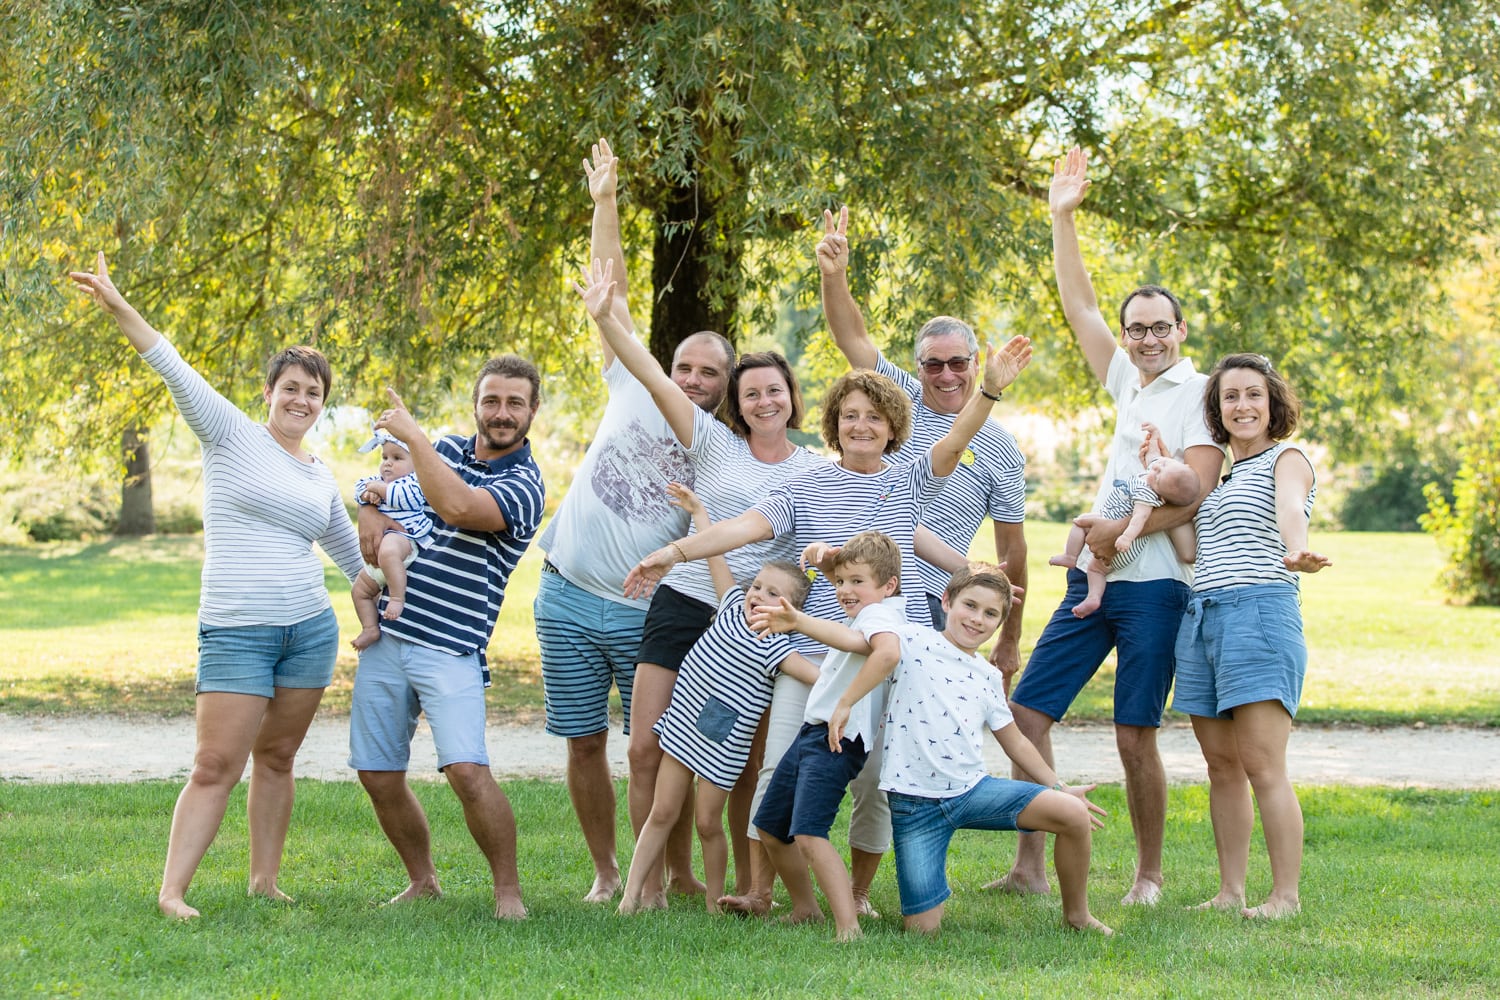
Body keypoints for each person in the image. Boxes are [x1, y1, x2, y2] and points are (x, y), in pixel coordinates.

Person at [626, 339, 1031, 919]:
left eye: (872, 416)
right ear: (834, 426)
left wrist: (988, 389)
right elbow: (744, 528)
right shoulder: (808, 484)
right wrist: (676, 551)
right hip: (811, 649)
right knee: (777, 769)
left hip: (891, 653)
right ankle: (767, 891)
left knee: (874, 781)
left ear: (894, 427)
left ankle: (859, 894)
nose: (860, 425)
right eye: (848, 416)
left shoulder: (910, 479)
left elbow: (952, 445)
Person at [69, 252, 365, 919]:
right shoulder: (229, 433)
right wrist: (117, 302)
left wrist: (383, 590)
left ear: (323, 404)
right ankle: (173, 892)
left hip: (309, 634)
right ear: (269, 392)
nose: (301, 399)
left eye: (313, 393)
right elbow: (166, 358)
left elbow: (348, 553)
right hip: (236, 631)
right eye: (290, 386)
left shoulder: (319, 473)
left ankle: (265, 880)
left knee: (280, 758)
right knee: (215, 766)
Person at [573, 142, 824, 901]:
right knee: (648, 746)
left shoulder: (815, 467)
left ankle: (748, 889)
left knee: (743, 762)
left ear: (790, 397)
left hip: (756, 617)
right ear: (736, 404)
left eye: (773, 391)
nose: (762, 401)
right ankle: (650, 887)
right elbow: (648, 369)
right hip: (686, 599)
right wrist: (604, 317)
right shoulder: (709, 438)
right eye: (750, 393)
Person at [997, 146, 1223, 905]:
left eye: (1161, 327)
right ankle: (1032, 860)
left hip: (1154, 584)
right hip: (1094, 577)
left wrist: (1121, 533)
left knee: (1135, 739)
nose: (1148, 338)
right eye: (1138, 329)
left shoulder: (1200, 394)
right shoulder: (1128, 377)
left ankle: (1148, 875)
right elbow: (1079, 309)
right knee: (1025, 714)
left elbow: (1196, 495)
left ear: (1182, 331)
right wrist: (1062, 218)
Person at [538, 139, 735, 902]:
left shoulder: (717, 446)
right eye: (683, 366)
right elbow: (610, 290)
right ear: (666, 363)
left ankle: (672, 872)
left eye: (707, 373)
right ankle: (605, 872)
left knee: (657, 747)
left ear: (722, 387)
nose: (690, 379)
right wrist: (606, 203)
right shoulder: (627, 378)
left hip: (644, 609)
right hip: (564, 594)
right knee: (583, 743)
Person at [349, 363, 545, 921]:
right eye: (491, 400)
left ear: (532, 412)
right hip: (389, 634)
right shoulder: (445, 450)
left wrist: (412, 439)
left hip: (452, 643)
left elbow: (458, 507)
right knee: (377, 773)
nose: (501, 412)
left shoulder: (526, 485)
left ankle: (508, 891)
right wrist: (368, 504)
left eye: (514, 402)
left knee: (465, 770)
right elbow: (390, 489)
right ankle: (423, 880)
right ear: (476, 404)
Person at [823, 563, 1112, 935]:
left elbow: (1015, 741)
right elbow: (852, 640)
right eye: (970, 606)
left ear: (999, 623)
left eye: (991, 614)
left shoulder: (989, 676)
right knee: (922, 930)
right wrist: (798, 620)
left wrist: (1058, 786)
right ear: (946, 601)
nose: (977, 619)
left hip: (973, 792)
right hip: (916, 807)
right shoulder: (909, 641)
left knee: (1071, 813)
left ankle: (1078, 916)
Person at [818, 205, 1030, 680]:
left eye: (958, 363)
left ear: (977, 363)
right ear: (917, 367)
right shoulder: (896, 401)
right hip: (855, 587)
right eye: (934, 364)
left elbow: (1012, 551)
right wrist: (834, 276)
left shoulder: (1001, 446)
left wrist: (1010, 637)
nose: (947, 374)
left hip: (931, 601)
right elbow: (850, 335)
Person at [1172, 353, 1330, 919]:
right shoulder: (1220, 477)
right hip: (1203, 617)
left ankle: (1284, 897)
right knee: (1222, 766)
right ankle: (1230, 892)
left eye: (1252, 395)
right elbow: (1190, 550)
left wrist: (1297, 548)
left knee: (1263, 765)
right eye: (1229, 397)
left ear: (1272, 404)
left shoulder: (1285, 458)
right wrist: (1161, 483)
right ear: (1216, 409)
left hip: (1259, 611)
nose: (1241, 405)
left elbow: (1291, 508)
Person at [617, 484, 822, 915]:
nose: (758, 596)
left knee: (708, 822)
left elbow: (818, 677)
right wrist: (699, 511)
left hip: (723, 744)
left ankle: (715, 902)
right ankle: (630, 898)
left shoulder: (778, 647)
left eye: (772, 594)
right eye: (759, 586)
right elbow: (716, 556)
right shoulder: (730, 604)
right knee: (662, 811)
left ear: (789, 610)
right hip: (683, 726)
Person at [745, 531, 907, 940]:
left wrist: (846, 702)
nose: (845, 590)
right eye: (840, 581)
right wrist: (823, 557)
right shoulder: (866, 613)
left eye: (857, 582)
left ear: (887, 586)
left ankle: (847, 927)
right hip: (813, 732)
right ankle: (806, 910)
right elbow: (856, 642)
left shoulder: (881, 615)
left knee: (809, 833)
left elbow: (887, 653)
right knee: (769, 824)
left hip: (837, 740)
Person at [1051, 427, 1201, 619]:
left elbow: (1139, 520)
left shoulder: (1148, 496)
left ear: (1162, 496)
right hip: (1115, 531)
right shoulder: (1159, 470)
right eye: (1163, 465)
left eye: (1158, 476)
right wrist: (1154, 437)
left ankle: (1073, 562)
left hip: (1123, 544)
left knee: (1083, 530)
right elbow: (1153, 457)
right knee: (1095, 565)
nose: (1156, 468)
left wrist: (1125, 537)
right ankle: (1092, 596)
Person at [349, 429, 434, 650]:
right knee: (359, 591)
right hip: (377, 562)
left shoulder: (415, 484)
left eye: (397, 458)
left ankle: (397, 598)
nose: (388, 464)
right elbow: (358, 487)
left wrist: (379, 489)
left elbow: (404, 497)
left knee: (387, 551)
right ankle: (370, 628)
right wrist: (367, 496)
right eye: (384, 457)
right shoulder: (379, 480)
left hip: (402, 542)